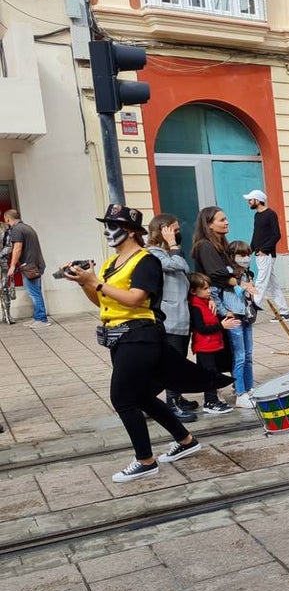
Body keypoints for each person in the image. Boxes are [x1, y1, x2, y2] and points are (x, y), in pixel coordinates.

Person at [62, 205, 222, 482]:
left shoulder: (146, 260)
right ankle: (186, 441)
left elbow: (136, 298)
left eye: (114, 226)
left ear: (132, 232)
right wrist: (85, 284)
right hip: (119, 337)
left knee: (122, 398)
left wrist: (96, 283)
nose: (108, 231)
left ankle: (145, 460)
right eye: (106, 225)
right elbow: (103, 301)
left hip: (140, 335)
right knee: (141, 396)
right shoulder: (112, 264)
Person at [146, 214, 197, 423]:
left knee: (179, 359)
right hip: (170, 317)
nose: (178, 234)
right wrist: (173, 245)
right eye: (174, 230)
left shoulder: (167, 252)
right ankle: (170, 403)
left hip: (180, 315)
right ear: (162, 232)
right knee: (172, 361)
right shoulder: (153, 254)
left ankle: (176, 395)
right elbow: (178, 265)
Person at [188, 273, 237, 414]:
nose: (208, 291)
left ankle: (212, 399)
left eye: (209, 288)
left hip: (212, 345)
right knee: (209, 374)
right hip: (204, 346)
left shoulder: (205, 302)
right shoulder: (196, 306)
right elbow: (201, 328)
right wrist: (221, 326)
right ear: (193, 291)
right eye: (204, 289)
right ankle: (210, 401)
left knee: (212, 372)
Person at [243, 188, 289, 323]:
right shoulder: (257, 215)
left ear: (258, 200)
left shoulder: (270, 214)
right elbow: (256, 234)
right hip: (260, 254)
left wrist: (264, 250)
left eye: (250, 200)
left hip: (266, 255)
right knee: (273, 285)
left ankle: (250, 311)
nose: (249, 202)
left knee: (260, 282)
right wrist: (250, 250)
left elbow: (276, 235)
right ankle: (285, 312)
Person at [225, 241, 259, 409]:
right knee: (239, 355)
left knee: (248, 354)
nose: (246, 258)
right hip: (235, 317)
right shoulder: (228, 275)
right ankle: (240, 393)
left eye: (247, 255)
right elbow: (217, 294)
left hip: (247, 316)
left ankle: (249, 387)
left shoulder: (247, 274)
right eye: (241, 255)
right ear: (232, 257)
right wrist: (225, 311)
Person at [3, 208, 49, 328]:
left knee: (34, 293)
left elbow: (17, 248)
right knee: (35, 292)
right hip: (35, 264)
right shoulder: (27, 228)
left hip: (30, 266)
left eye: (6, 220)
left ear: (7, 219)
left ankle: (42, 319)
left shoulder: (17, 230)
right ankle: (37, 318)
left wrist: (12, 266)